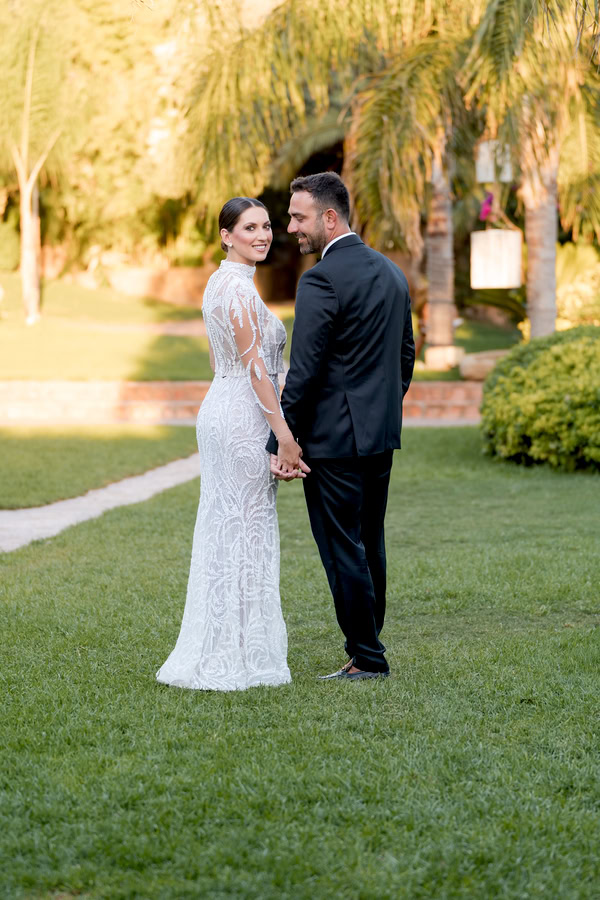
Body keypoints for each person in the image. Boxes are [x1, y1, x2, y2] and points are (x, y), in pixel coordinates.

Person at [268, 172, 415, 681]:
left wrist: (280, 441)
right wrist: (379, 410)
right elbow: (406, 356)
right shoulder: (392, 272)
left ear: (330, 218)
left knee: (342, 549)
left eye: (299, 217)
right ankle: (365, 650)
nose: (291, 228)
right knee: (368, 542)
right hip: (379, 439)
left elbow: (303, 372)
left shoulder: (321, 279)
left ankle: (369, 659)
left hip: (332, 444)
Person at [157, 197, 308, 691]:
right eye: (250, 228)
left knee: (234, 530)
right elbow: (255, 368)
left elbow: (220, 360)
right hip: (241, 416)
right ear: (227, 235)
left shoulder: (223, 283)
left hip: (224, 407)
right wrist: (284, 436)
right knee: (244, 529)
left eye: (267, 226)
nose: (262, 235)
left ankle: (236, 646)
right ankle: (230, 656)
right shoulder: (237, 292)